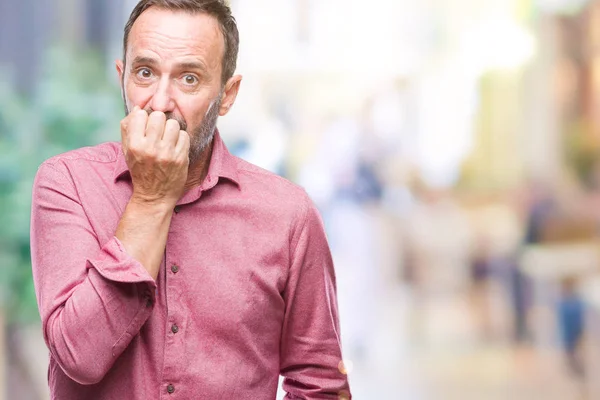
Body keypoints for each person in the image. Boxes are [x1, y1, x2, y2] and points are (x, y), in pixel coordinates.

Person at [30, 1, 351, 399]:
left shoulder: (288, 215)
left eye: (189, 78)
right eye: (145, 73)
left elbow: (320, 384)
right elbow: (79, 357)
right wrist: (150, 199)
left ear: (228, 95)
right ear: (122, 77)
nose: (161, 102)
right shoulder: (67, 184)